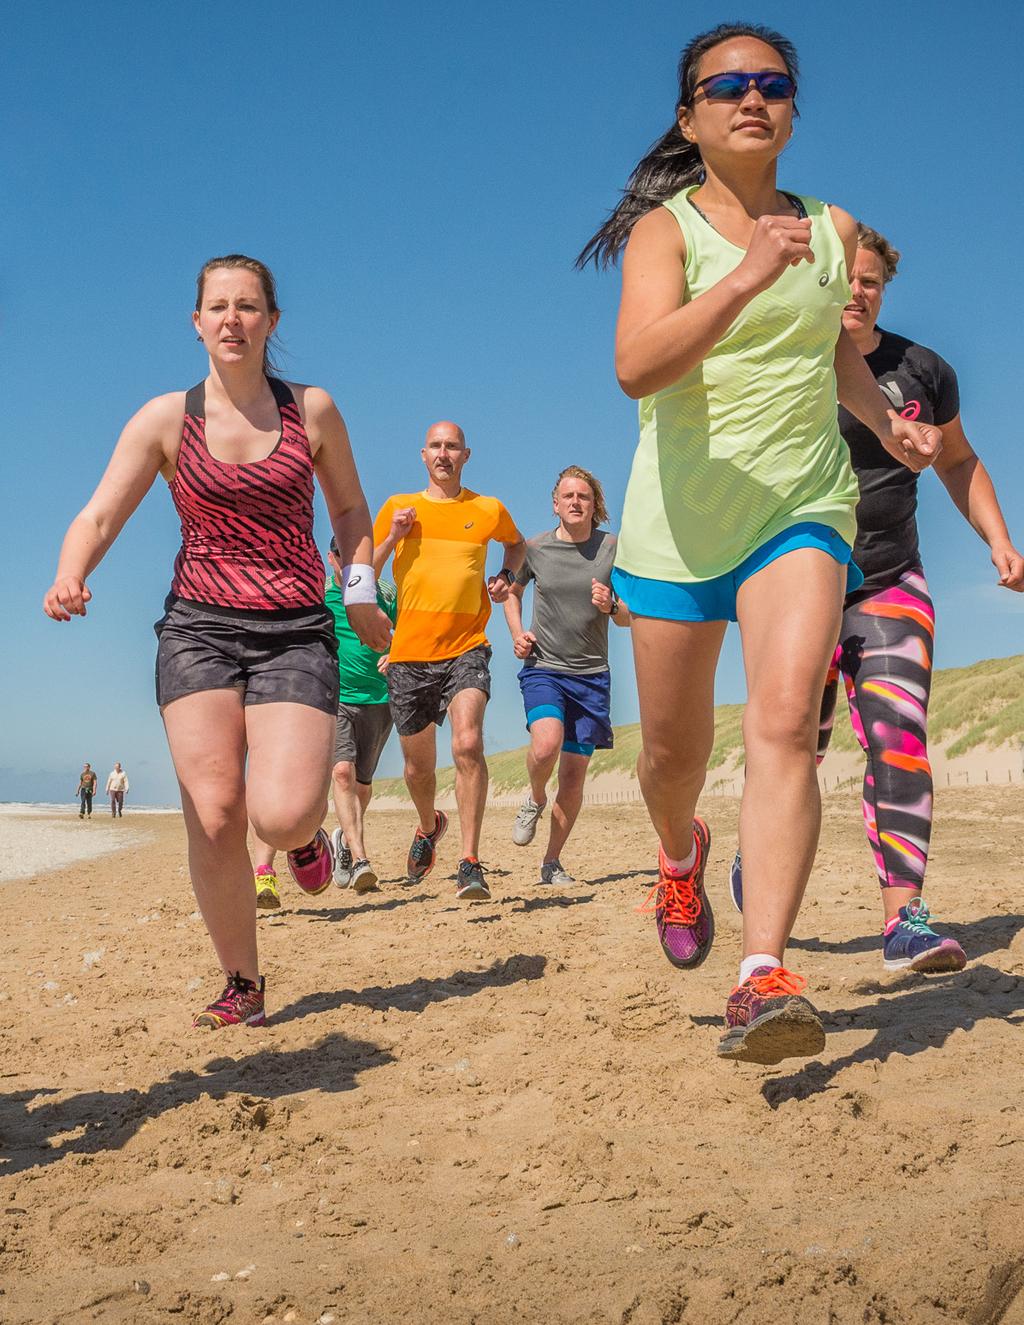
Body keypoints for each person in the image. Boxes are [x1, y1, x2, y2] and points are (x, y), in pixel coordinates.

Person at [577, 23, 941, 1063]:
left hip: (800, 508)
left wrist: (885, 425)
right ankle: (679, 849)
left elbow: (831, 350)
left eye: (771, 84)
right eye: (725, 86)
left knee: (784, 724)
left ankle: (763, 968)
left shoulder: (829, 228)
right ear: (689, 117)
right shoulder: (667, 231)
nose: (751, 97)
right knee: (670, 756)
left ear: (790, 108)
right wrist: (739, 276)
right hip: (678, 527)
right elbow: (636, 367)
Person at [44, 254, 391, 1030]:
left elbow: (350, 514)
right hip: (198, 627)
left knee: (283, 812)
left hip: (297, 629)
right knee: (215, 810)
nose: (232, 319)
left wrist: (360, 591)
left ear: (272, 320)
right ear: (196, 322)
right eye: (218, 306)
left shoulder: (313, 410)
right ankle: (243, 980)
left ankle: (304, 841)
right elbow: (100, 514)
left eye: (248, 305)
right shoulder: (168, 419)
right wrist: (72, 572)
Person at [730, 224, 1024, 971]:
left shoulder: (923, 370)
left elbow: (959, 462)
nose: (856, 292)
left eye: (871, 281)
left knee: (900, 733)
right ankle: (758, 854)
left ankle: (904, 919)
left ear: (883, 288)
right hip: (796, 583)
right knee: (797, 737)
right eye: (846, 279)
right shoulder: (785, 360)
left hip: (891, 578)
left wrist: (997, 539)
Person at [373, 421, 525, 900]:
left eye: (452, 446)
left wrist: (505, 575)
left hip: (467, 646)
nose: (444, 454)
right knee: (418, 770)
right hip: (410, 655)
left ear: (466, 455)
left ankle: (470, 861)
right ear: (423, 455)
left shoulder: (487, 509)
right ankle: (427, 825)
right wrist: (394, 536)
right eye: (436, 446)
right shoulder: (399, 508)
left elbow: (517, 545)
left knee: (467, 743)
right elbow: (366, 569)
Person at [252, 537, 398, 909]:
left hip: (379, 700)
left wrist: (396, 653)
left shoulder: (384, 594)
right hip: (327, 698)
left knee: (359, 785)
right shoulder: (317, 593)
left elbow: (408, 630)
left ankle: (338, 842)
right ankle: (267, 872)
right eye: (343, 560)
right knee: (334, 775)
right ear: (331, 559)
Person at [504, 465, 631, 883]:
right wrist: (517, 633)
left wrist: (611, 605)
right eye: (569, 496)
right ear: (555, 504)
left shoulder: (612, 549)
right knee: (545, 746)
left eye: (585, 497)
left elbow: (631, 617)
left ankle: (551, 862)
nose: (576, 502)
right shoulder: (536, 548)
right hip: (544, 668)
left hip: (592, 676)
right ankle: (535, 797)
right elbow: (511, 593)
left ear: (595, 505)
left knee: (574, 778)